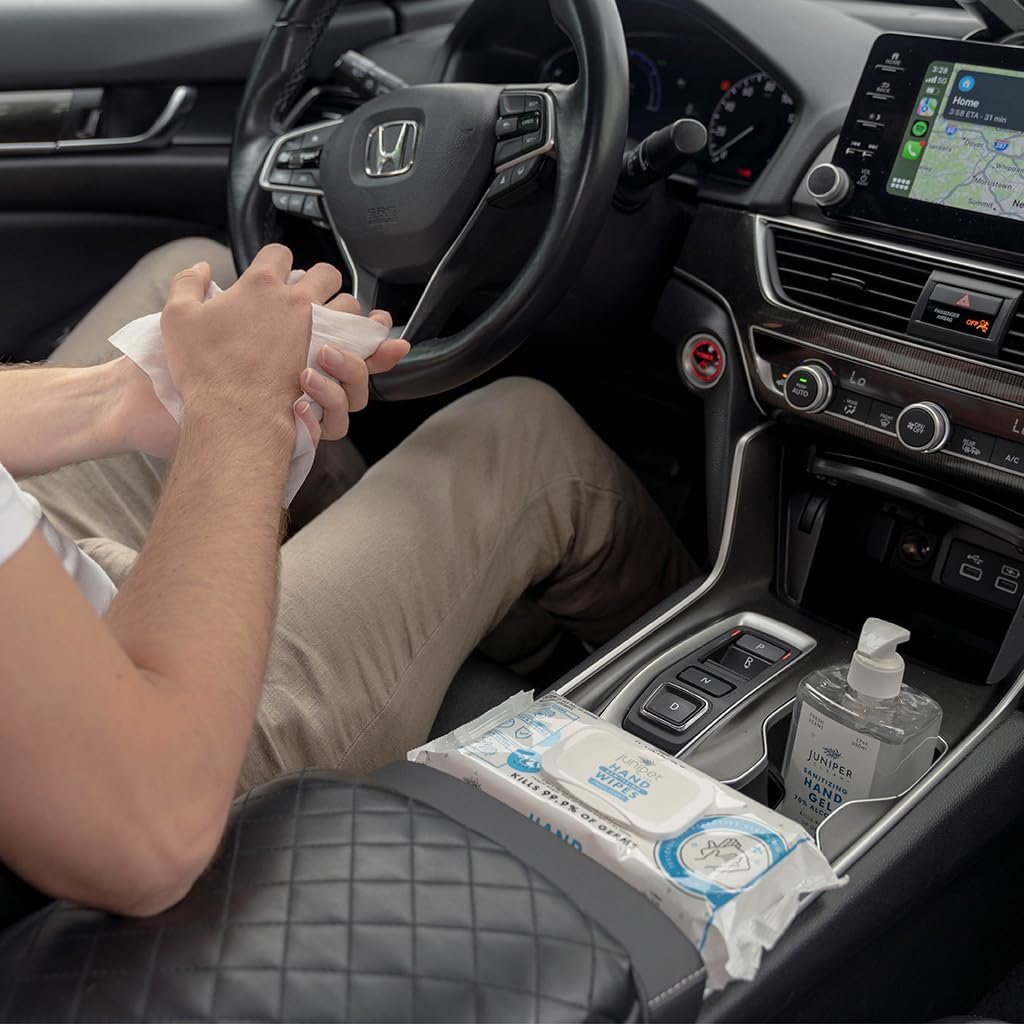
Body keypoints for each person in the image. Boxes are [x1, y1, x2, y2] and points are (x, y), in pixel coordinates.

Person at [0, 238, 697, 918]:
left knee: (187, 273)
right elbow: (145, 829)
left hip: (40, 590)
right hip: (143, 749)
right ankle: (688, 728)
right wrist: (238, 410)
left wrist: (114, 397)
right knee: (528, 435)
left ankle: (457, 610)